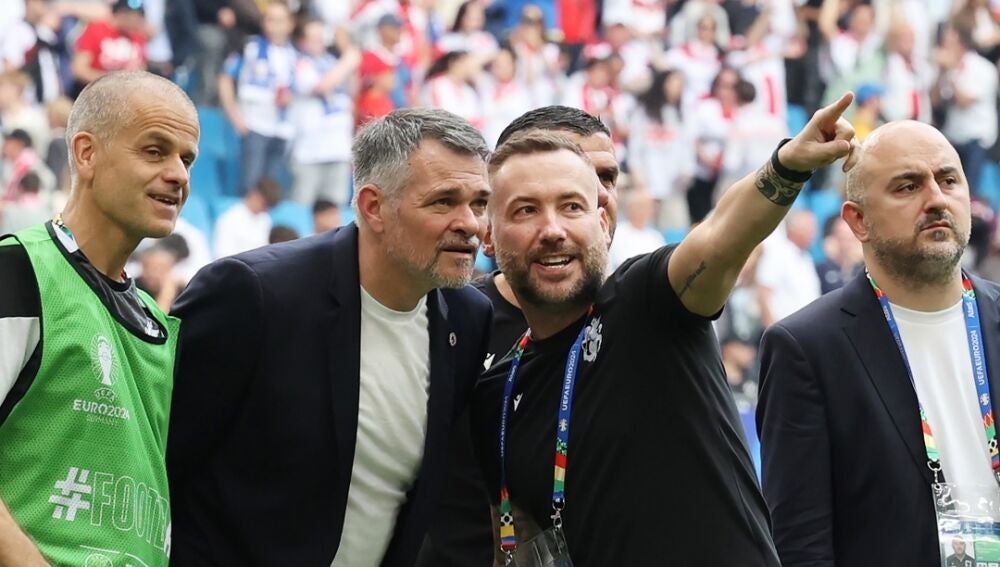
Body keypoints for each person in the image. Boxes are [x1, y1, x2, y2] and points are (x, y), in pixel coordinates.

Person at [472, 92, 856, 565]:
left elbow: (717, 240)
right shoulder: (496, 391)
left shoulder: (646, 301)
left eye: (571, 206)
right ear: (488, 234)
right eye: (525, 210)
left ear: (603, 219)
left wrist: (787, 166)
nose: (552, 229)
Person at [167, 108, 493, 566]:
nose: (471, 224)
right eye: (444, 202)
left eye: (479, 203)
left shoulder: (468, 317)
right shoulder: (253, 294)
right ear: (373, 207)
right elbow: (161, 464)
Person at [756, 120, 1000, 567]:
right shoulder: (807, 348)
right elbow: (801, 545)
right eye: (908, 186)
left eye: (948, 180)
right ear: (859, 220)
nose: (936, 199)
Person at [0, 70, 198, 567]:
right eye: (155, 151)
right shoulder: (17, 271)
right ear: (86, 153)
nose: (178, 174)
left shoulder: (159, 325)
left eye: (186, 159)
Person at [417, 105, 620, 567]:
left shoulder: (641, 315)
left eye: (606, 178)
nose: (602, 195)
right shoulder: (451, 317)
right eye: (531, 204)